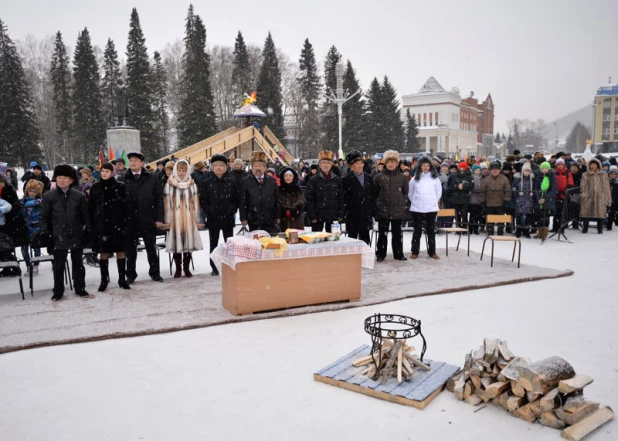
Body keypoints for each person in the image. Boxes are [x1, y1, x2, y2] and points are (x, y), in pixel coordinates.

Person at [39, 165, 90, 301]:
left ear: (71, 180)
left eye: (64, 178)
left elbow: (85, 215)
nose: (61, 180)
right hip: (57, 235)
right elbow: (43, 216)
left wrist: (88, 230)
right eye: (59, 178)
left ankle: (80, 288)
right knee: (58, 265)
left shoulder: (78, 196)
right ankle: (58, 291)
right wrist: (45, 232)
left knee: (78, 264)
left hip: (76, 234)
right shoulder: (49, 196)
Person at [88, 163, 131, 291]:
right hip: (102, 226)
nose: (104, 173)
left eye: (107, 171)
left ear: (112, 172)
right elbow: (90, 208)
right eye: (102, 171)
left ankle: (122, 279)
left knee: (121, 252)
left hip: (118, 224)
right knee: (104, 253)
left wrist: (125, 223)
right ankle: (104, 280)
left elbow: (126, 207)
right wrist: (92, 224)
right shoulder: (95, 187)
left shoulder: (120, 187)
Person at [124, 152, 165, 283]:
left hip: (148, 219)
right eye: (130, 160)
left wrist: (159, 218)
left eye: (135, 160)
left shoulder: (152, 177)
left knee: (151, 249)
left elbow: (159, 199)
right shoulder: (124, 178)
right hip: (130, 220)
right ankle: (130, 275)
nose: (133, 163)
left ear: (142, 163)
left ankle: (155, 273)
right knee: (130, 251)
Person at [200, 154, 238, 276]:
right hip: (213, 218)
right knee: (214, 244)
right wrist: (210, 211)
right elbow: (203, 200)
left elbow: (236, 199)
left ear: (225, 167)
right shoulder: (206, 182)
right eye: (215, 165)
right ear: (212, 167)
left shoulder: (231, 181)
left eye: (221, 165)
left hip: (227, 218)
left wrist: (231, 209)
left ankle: (228, 264)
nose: (218, 168)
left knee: (229, 244)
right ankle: (214, 266)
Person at [164, 159, 203, 278]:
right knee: (176, 245)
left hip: (189, 219)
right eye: (179, 170)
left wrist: (197, 220)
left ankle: (186, 268)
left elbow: (196, 204)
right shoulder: (169, 185)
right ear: (175, 170)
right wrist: (168, 221)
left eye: (184, 170)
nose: (181, 173)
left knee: (188, 244)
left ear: (187, 171)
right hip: (175, 219)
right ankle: (178, 268)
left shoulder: (192, 185)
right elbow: (167, 205)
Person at [372, 150, 408, 261]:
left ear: (397, 163)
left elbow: (405, 193)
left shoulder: (403, 177)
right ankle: (380, 254)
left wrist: (401, 204)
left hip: (397, 210)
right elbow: (375, 194)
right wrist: (378, 206)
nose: (391, 164)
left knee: (397, 235)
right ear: (385, 163)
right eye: (388, 162)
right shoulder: (379, 177)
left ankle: (398, 254)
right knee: (383, 235)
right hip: (383, 210)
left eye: (393, 162)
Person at [408, 156, 441, 260]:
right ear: (420, 167)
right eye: (423, 165)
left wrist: (432, 201)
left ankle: (432, 252)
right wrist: (416, 201)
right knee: (417, 231)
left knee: (431, 231)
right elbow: (410, 193)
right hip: (417, 209)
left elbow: (438, 193)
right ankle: (414, 251)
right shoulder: (414, 179)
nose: (426, 167)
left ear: (430, 166)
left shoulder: (435, 179)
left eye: (427, 165)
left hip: (431, 209)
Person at [240, 151, 280, 233]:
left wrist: (278, 216)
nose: (258, 168)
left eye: (260, 166)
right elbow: (242, 202)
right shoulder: (245, 181)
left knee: (269, 242)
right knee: (255, 243)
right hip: (253, 218)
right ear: (252, 168)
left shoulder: (272, 181)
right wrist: (243, 218)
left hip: (269, 218)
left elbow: (277, 200)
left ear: (265, 168)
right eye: (255, 166)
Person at [305, 150, 344, 233]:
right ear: (320, 164)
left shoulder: (337, 180)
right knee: (317, 242)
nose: (325, 165)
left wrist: (341, 213)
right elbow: (309, 200)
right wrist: (312, 216)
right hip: (318, 216)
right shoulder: (313, 180)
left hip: (333, 216)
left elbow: (341, 198)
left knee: (334, 241)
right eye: (323, 162)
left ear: (331, 165)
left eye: (328, 162)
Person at [342, 150, 373, 245]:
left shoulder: (369, 178)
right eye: (356, 164)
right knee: (352, 241)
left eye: (361, 163)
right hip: (352, 216)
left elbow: (372, 196)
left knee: (365, 241)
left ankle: (366, 259)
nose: (359, 166)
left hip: (366, 215)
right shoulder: (345, 180)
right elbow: (344, 199)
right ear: (351, 166)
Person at [580, 158, 611, 234]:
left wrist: (607, 198)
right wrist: (584, 194)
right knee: (586, 213)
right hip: (588, 197)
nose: (593, 166)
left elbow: (607, 187)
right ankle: (585, 229)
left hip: (600, 197)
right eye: (591, 165)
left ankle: (600, 230)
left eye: (594, 164)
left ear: (598, 165)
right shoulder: (585, 175)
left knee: (601, 214)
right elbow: (583, 186)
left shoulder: (604, 175)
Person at [480, 162, 511, 235]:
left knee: (500, 220)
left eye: (497, 169)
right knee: (490, 220)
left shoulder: (504, 179)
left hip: (500, 203)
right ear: (491, 170)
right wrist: (483, 202)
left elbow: (508, 191)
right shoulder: (486, 179)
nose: (495, 171)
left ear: (499, 170)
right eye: (493, 169)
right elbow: (482, 191)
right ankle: (490, 232)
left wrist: (506, 201)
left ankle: (500, 233)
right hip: (489, 203)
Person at [0, 172, 28, 253]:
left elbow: (15, 205)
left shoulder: (10, 190)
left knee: (9, 242)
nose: (0, 184)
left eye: (1, 182)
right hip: (3, 222)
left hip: (12, 221)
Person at [21, 180, 44, 275]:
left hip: (36, 227)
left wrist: (26, 205)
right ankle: (28, 265)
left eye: (34, 191)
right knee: (24, 248)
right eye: (30, 190)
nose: (32, 193)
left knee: (36, 247)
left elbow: (31, 204)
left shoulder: (40, 201)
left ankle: (35, 265)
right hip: (25, 228)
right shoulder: (22, 201)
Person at [533, 162, 557, 240]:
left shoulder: (552, 177)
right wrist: (538, 198)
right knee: (539, 217)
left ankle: (544, 233)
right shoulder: (539, 177)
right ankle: (539, 233)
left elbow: (554, 190)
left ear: (549, 169)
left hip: (548, 200)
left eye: (546, 168)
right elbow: (536, 188)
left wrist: (545, 198)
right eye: (542, 168)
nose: (544, 170)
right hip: (539, 200)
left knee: (546, 217)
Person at [278, 166, 305, 232]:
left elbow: (301, 201)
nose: (288, 177)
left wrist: (293, 210)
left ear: (293, 177)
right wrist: (285, 210)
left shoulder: (297, 189)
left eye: (290, 176)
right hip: (282, 218)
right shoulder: (279, 189)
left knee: (296, 237)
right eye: (286, 176)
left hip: (296, 218)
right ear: (283, 177)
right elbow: (277, 201)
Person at [511, 162, 535, 238]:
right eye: (525, 170)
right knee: (518, 215)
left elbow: (535, 188)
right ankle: (518, 230)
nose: (526, 172)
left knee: (527, 216)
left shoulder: (532, 179)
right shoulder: (517, 179)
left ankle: (526, 231)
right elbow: (513, 187)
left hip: (529, 199)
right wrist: (516, 195)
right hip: (520, 200)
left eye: (528, 170)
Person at [551, 158, 574, 232]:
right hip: (555, 194)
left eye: (561, 164)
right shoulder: (553, 172)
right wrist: (555, 191)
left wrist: (565, 191)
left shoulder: (567, 173)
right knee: (555, 212)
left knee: (562, 212)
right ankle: (555, 227)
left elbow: (570, 183)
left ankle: (562, 228)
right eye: (559, 164)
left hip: (564, 195)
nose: (560, 166)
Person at [449, 162, 473, 230]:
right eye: (461, 168)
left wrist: (463, 187)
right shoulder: (455, 176)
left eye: (463, 169)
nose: (462, 170)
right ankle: (458, 228)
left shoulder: (469, 177)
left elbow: (471, 186)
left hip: (465, 198)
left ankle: (464, 228)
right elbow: (451, 186)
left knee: (464, 214)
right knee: (457, 215)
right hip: (456, 198)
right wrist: (457, 187)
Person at [468, 164, 484, 235]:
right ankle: (471, 228)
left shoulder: (482, 179)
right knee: (472, 215)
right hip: (473, 198)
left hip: (479, 199)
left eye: (479, 170)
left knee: (478, 215)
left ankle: (476, 229)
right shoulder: (471, 178)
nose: (478, 171)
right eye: (476, 170)